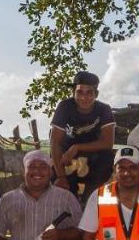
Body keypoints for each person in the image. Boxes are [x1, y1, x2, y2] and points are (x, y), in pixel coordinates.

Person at [49, 70, 117, 202]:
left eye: (89, 92)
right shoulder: (65, 107)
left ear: (96, 94)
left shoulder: (103, 109)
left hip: (93, 158)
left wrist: (77, 147)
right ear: (73, 92)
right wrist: (61, 177)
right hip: (67, 158)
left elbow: (107, 143)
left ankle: (88, 200)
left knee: (107, 158)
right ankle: (71, 203)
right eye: (79, 92)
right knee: (57, 181)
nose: (84, 97)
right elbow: (55, 142)